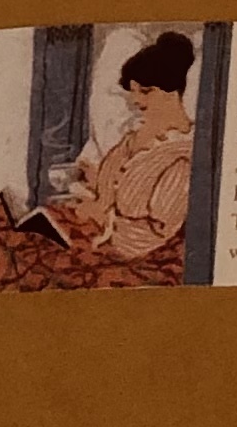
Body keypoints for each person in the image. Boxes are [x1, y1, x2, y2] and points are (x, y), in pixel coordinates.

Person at [51, 29, 198, 265]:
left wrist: (103, 220)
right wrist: (93, 189)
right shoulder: (133, 137)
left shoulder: (183, 155)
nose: (136, 100)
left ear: (172, 92)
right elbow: (111, 189)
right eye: (134, 92)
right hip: (92, 237)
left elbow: (158, 232)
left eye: (146, 92)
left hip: (130, 256)